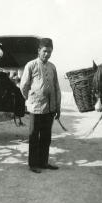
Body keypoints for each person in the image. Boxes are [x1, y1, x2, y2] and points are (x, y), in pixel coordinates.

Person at [20, 38, 61, 173]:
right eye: (44, 51)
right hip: (36, 108)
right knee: (34, 136)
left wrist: (57, 106)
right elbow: (24, 86)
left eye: (49, 52)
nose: (47, 54)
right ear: (39, 51)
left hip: (49, 108)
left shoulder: (52, 67)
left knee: (46, 137)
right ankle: (33, 164)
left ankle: (43, 162)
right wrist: (30, 100)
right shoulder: (30, 65)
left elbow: (56, 87)